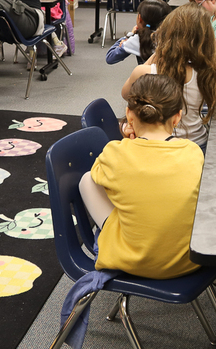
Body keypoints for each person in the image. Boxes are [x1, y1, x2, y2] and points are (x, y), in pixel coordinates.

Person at [78, 73, 204, 279]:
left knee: (87, 180)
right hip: (188, 262)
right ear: (177, 117)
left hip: (133, 263)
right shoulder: (192, 151)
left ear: (129, 115)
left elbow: (98, 177)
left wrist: (128, 141)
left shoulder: (115, 153)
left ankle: (113, 240)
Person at [121, 4, 216, 150]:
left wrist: (160, 52)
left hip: (154, 147)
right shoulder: (204, 75)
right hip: (195, 146)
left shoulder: (143, 72)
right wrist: (207, 59)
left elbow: (125, 94)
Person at [106, 0, 171, 65]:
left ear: (140, 18)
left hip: (148, 74)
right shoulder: (172, 35)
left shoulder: (138, 39)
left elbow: (110, 58)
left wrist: (129, 36)